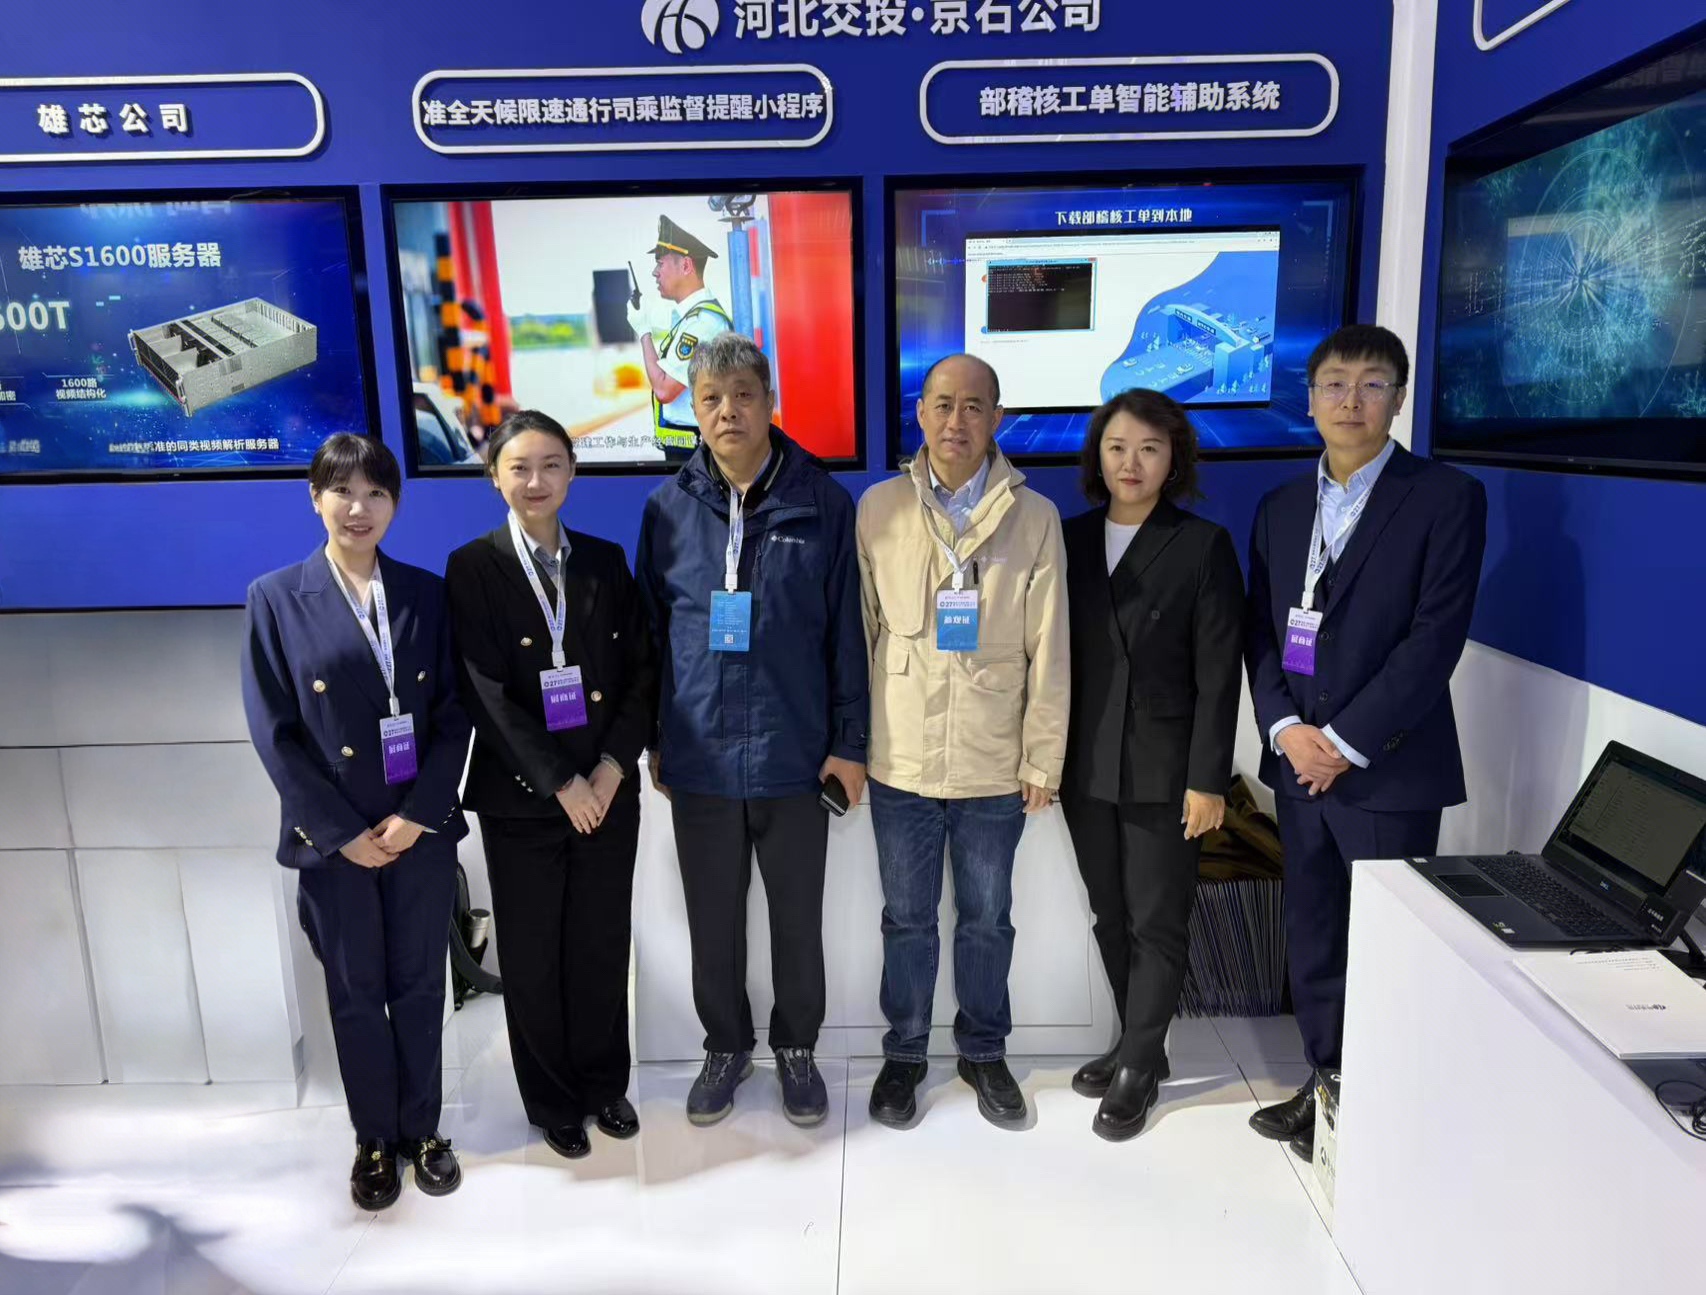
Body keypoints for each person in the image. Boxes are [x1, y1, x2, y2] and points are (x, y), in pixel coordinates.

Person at [1245, 324, 1487, 1159]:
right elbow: (1261, 633)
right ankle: (1326, 1088)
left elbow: (1433, 640)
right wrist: (1286, 730)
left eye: (1373, 384)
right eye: (1335, 384)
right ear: (1310, 399)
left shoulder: (1446, 497)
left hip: (1387, 771)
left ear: (1399, 397)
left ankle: (1390, 1117)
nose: (1352, 400)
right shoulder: (1281, 507)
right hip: (1297, 767)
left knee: (1387, 950)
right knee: (1313, 938)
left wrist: (1343, 742)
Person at [635, 331, 867, 1129]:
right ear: (694, 411)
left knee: (798, 920)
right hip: (699, 753)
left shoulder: (823, 502)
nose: (727, 410)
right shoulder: (667, 509)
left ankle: (796, 1047)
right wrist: (657, 738)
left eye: (743, 394)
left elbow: (847, 634)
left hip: (794, 753)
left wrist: (849, 742)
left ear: (771, 401)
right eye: (711, 398)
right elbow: (652, 634)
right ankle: (726, 1046)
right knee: (714, 921)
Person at [241, 433, 471, 1211]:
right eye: (342, 490)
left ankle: (423, 1130)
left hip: (417, 831)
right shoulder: (276, 597)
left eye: (376, 492)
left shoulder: (426, 594)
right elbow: (275, 731)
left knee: (421, 984)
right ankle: (375, 1137)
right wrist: (342, 833)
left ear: (395, 503)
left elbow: (452, 716)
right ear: (316, 497)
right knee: (355, 991)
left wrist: (417, 816)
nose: (359, 507)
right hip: (334, 840)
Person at [856, 353, 1069, 1131]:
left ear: (997, 418)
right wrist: (852, 744)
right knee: (906, 919)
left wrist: (1042, 757)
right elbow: (861, 636)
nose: (956, 421)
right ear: (920, 412)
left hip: (992, 764)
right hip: (900, 761)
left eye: (974, 406)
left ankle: (983, 1049)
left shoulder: (1034, 517)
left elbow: (1051, 648)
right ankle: (906, 1051)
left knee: (987, 917)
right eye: (942, 404)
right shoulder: (878, 508)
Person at [444, 410, 657, 1161]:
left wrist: (611, 767)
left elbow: (642, 671)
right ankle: (553, 1100)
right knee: (534, 957)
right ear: (494, 476)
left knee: (600, 945)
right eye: (520, 467)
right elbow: (484, 692)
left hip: (607, 792)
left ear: (572, 472)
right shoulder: (473, 567)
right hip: (524, 798)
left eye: (552, 465)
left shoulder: (603, 560)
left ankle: (605, 1085)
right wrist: (562, 781)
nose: (537, 481)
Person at [1058, 389, 1245, 1141]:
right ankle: (1139, 1041)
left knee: (1158, 920)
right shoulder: (1067, 539)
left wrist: (1208, 779)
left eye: (1149, 448)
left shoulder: (1202, 545)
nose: (1131, 463)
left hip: (1166, 768)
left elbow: (1219, 674)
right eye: (1117, 447)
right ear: (1097, 457)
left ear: (1174, 460)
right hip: (1084, 762)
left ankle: (1140, 1064)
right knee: (1110, 913)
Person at [628, 215, 733, 464]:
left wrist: (643, 331)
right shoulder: (691, 318)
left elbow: (664, 389)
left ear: (686, 266)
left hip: (695, 455)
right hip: (688, 451)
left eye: (660, 263)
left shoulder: (702, 323)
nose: (655, 273)